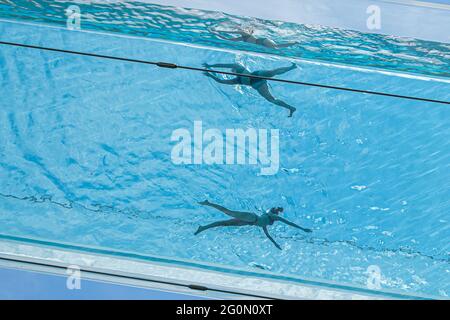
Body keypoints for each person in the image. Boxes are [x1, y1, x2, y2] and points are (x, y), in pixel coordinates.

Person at [195, 200, 312, 250]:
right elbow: (289, 223)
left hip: (249, 222)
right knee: (228, 212)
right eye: (277, 210)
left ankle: (203, 228)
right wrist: (303, 229)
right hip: (251, 217)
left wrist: (275, 243)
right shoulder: (272, 216)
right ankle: (208, 203)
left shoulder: (266, 223)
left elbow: (267, 235)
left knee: (222, 224)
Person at [203, 62, 297, 117]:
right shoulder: (237, 79)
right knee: (271, 98)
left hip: (258, 79)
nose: (232, 71)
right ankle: (291, 108)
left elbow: (224, 67)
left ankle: (292, 67)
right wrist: (210, 72)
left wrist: (211, 67)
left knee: (273, 72)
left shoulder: (238, 72)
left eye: (232, 70)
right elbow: (221, 80)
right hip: (258, 83)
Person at [213, 28, 298, 49]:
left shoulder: (243, 33)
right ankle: (293, 43)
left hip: (262, 41)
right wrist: (215, 34)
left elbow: (230, 32)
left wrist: (218, 30)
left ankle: (294, 43)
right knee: (276, 48)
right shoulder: (241, 38)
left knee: (277, 47)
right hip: (260, 43)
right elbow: (227, 39)